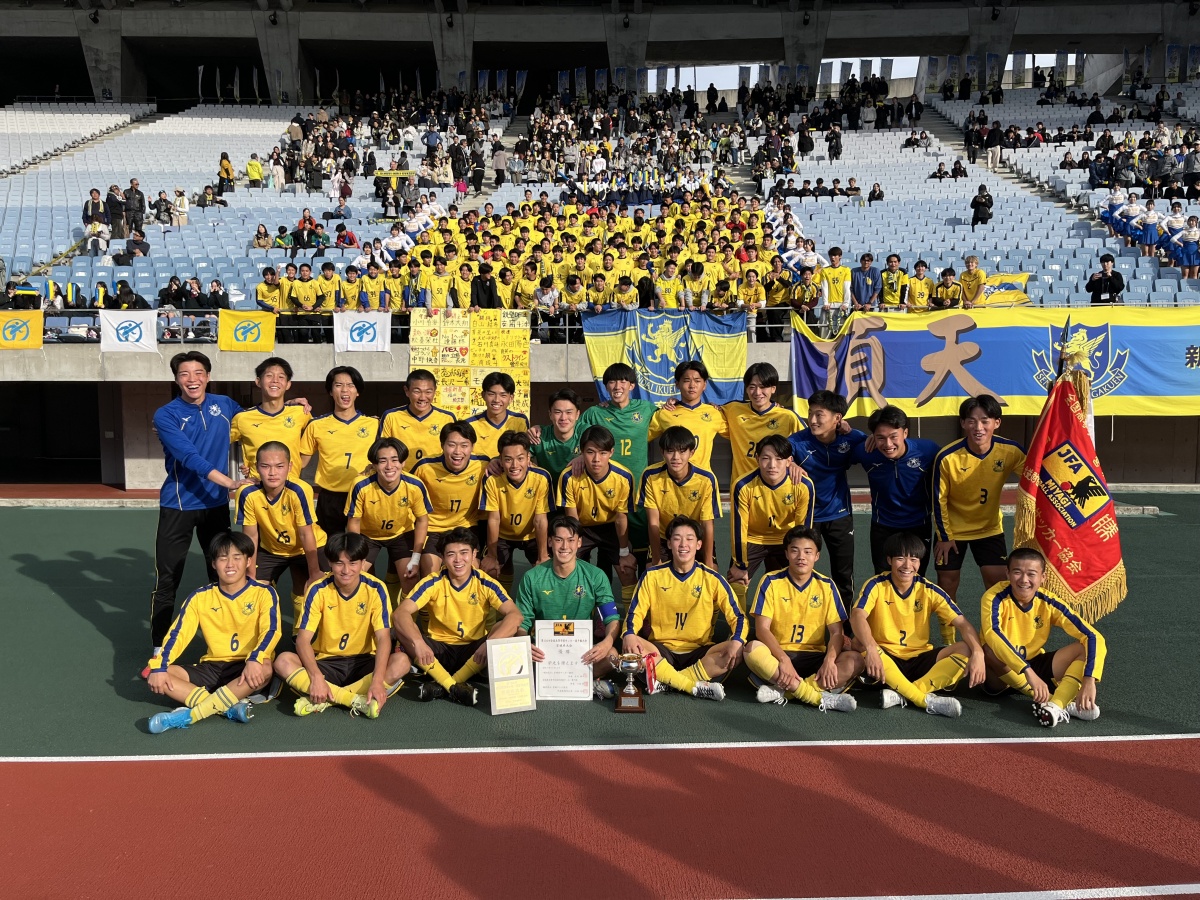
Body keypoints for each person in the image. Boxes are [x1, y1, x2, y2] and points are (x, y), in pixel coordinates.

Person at [146, 352, 250, 674]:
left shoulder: (225, 405)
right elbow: (192, 459)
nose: (193, 379)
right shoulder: (166, 415)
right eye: (185, 374)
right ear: (176, 379)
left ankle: (221, 645)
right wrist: (231, 481)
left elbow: (257, 422)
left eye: (199, 372)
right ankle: (159, 648)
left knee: (222, 574)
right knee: (168, 579)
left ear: (208, 376)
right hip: (178, 505)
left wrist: (292, 404)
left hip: (215, 507)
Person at [145, 532, 279, 734]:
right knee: (162, 674)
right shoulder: (200, 597)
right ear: (214, 564)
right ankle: (228, 709)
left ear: (248, 560)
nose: (230, 564)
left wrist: (256, 658)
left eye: (237, 557)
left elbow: (271, 630)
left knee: (266, 666)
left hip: (248, 665)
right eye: (223, 558)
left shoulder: (264, 593)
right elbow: (177, 635)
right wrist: (159, 666)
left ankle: (191, 716)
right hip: (213, 667)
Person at [851, 532, 986, 717]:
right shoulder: (876, 584)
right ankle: (923, 699)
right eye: (900, 558)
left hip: (919, 659)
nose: (908, 565)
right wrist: (871, 649)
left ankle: (904, 694)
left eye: (914, 559)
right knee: (858, 643)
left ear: (920, 562)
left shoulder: (928, 589)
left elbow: (963, 623)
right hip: (885, 658)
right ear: (889, 560)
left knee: (967, 648)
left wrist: (978, 652)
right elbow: (857, 615)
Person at [274, 532, 405, 719]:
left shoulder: (376, 588)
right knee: (283, 661)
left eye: (352, 563)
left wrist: (377, 679)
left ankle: (325, 699)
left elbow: (383, 638)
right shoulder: (317, 589)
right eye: (339, 563)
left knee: (402, 662)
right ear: (329, 563)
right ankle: (356, 701)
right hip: (327, 663)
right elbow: (303, 640)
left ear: (362, 563)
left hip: (364, 661)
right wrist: (316, 676)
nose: (346, 570)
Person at [393, 526, 524, 706]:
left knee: (508, 629)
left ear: (474, 554)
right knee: (403, 628)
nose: (458, 560)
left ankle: (441, 684)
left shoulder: (485, 582)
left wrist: (490, 643)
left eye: (464, 553)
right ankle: (455, 686)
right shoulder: (433, 582)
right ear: (443, 558)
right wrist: (419, 642)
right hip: (438, 651)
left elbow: (515, 615)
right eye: (451, 554)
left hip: (475, 653)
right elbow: (401, 613)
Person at [933, 394, 1026, 645]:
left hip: (989, 529)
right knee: (947, 585)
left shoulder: (1010, 450)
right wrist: (944, 536)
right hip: (952, 532)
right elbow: (938, 500)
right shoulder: (948, 457)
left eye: (985, 421)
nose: (978, 427)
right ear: (963, 423)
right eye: (972, 421)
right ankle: (949, 642)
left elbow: (1036, 471)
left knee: (997, 584)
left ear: (997, 422)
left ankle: (995, 638)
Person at [622, 516, 747, 701]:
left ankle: (667, 681)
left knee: (737, 650)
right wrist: (629, 634)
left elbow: (738, 617)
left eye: (689, 539)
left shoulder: (712, 578)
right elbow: (634, 613)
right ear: (670, 544)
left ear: (699, 545)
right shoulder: (652, 576)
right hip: (662, 649)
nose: (683, 544)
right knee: (633, 648)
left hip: (700, 651)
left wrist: (737, 640)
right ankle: (692, 686)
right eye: (677, 538)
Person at [980, 548, 1106, 727]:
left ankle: (1055, 706)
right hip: (1000, 674)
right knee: (989, 649)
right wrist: (1029, 673)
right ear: (1007, 573)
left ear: (1043, 577)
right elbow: (992, 635)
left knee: (1083, 648)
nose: (1024, 580)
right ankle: (1057, 699)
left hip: (1035, 663)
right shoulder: (994, 597)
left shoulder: (1049, 601)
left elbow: (1093, 635)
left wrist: (1089, 679)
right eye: (1017, 572)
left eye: (1031, 574)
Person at [742, 527, 860, 712]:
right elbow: (762, 629)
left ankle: (784, 692)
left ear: (817, 556)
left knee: (856, 660)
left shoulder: (827, 585)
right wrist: (783, 659)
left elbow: (837, 632)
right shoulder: (770, 581)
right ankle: (816, 697)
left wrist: (829, 661)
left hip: (815, 658)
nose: (801, 557)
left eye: (808, 551)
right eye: (795, 550)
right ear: (787, 554)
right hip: (778, 655)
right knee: (751, 650)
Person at [516, 515, 622, 696]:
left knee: (612, 655)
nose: (565, 547)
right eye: (559, 540)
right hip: (543, 653)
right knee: (513, 653)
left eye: (571, 540)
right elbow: (522, 622)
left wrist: (607, 641)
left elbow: (611, 618)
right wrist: (525, 643)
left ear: (579, 542)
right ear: (550, 542)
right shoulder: (532, 577)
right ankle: (580, 683)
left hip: (581, 652)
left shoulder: (595, 575)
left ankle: (561, 682)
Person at [786, 390, 866, 611]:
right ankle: (802, 620)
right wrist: (787, 463)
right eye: (810, 413)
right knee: (801, 572)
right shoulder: (798, 441)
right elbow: (773, 454)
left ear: (837, 418)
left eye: (819, 415)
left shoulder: (852, 438)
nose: (812, 420)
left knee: (843, 574)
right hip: (808, 517)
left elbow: (872, 446)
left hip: (840, 515)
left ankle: (847, 627)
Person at [235, 441, 325, 629]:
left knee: (313, 588)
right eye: (265, 466)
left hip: (305, 548)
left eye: (279, 466)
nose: (272, 472)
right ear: (256, 468)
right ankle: (267, 637)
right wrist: (250, 573)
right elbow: (250, 536)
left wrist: (315, 571)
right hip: (271, 550)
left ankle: (300, 632)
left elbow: (305, 533)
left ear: (290, 467)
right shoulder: (247, 493)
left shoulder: (299, 490)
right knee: (254, 589)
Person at [850, 406, 939, 576]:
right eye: (880, 438)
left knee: (915, 576)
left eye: (893, 437)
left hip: (919, 525)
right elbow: (838, 454)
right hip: (883, 525)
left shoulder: (927, 450)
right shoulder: (866, 451)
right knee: (883, 578)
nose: (888, 444)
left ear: (905, 433)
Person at [729, 434, 815, 609]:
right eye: (766, 458)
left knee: (793, 583)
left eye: (779, 459)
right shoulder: (743, 485)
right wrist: (740, 565)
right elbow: (739, 528)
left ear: (789, 461)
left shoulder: (804, 486)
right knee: (736, 581)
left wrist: (801, 559)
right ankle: (739, 629)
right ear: (757, 459)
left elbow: (803, 531)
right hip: (753, 538)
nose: (772, 465)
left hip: (785, 539)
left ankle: (781, 625)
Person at [298, 366, 379, 536]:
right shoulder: (316, 425)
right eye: (338, 385)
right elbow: (299, 464)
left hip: (363, 493)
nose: (345, 390)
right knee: (329, 552)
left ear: (358, 391)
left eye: (350, 385)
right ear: (330, 391)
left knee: (361, 551)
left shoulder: (374, 425)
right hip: (329, 499)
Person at [346, 437, 432, 595]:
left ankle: (402, 617)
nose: (390, 466)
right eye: (383, 461)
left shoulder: (415, 485)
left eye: (395, 460)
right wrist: (355, 556)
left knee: (410, 577)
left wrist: (416, 558)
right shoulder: (361, 484)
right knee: (359, 578)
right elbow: (354, 521)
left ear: (403, 462)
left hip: (401, 534)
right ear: (374, 465)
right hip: (368, 536)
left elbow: (422, 520)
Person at [558, 424, 638, 589]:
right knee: (567, 569)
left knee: (627, 570)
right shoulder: (569, 476)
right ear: (581, 452)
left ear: (611, 453)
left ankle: (633, 615)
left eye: (602, 453)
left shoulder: (624, 477)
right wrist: (572, 551)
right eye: (590, 452)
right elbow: (572, 519)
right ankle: (582, 612)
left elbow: (621, 518)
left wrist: (624, 552)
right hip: (582, 528)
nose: (596, 459)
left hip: (611, 528)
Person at [411, 421, 489, 576]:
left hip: (466, 527)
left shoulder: (483, 465)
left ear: (472, 447)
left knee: (471, 571)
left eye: (464, 445)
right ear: (442, 445)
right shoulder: (424, 467)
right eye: (452, 445)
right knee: (430, 571)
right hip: (433, 529)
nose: (457, 451)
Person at [638, 426, 720, 567]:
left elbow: (707, 524)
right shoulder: (650, 476)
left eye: (682, 452)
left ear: (691, 453)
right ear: (662, 452)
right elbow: (653, 523)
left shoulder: (706, 479)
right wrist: (656, 559)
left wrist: (708, 563)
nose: (676, 457)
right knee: (652, 572)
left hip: (694, 538)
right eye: (670, 451)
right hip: (664, 538)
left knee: (711, 572)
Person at [480, 431, 553, 589]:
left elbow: (540, 520)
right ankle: (499, 610)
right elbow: (494, 519)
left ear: (528, 459)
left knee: (546, 571)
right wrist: (492, 556)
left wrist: (543, 556)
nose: (514, 466)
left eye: (520, 459)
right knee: (490, 569)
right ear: (500, 460)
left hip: (531, 534)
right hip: (503, 535)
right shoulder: (492, 479)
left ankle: (538, 611)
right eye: (508, 459)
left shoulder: (541, 478)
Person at [721, 362, 801, 489]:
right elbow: (704, 412)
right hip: (743, 489)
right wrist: (678, 402)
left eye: (763, 387)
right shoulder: (733, 410)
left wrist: (794, 463)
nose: (757, 392)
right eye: (752, 387)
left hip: (778, 488)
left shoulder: (787, 417)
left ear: (773, 389)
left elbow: (810, 441)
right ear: (746, 389)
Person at [230, 357, 311, 481]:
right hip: (257, 486)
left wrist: (300, 463)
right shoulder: (242, 418)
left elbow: (318, 436)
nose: (275, 381)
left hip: (291, 485)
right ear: (258, 382)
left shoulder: (301, 413)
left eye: (281, 377)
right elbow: (217, 443)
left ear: (288, 384)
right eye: (269, 376)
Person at [647, 360, 727, 472]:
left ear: (704, 385)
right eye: (686, 380)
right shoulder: (665, 413)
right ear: (677, 384)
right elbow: (641, 438)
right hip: (671, 479)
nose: (692, 385)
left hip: (702, 480)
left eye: (697, 381)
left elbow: (738, 436)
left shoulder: (715, 413)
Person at [378, 369, 458, 471]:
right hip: (402, 478)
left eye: (428, 392)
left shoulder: (447, 418)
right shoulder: (391, 416)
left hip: (435, 477)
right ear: (407, 391)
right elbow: (381, 450)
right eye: (417, 391)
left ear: (434, 391)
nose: (423, 397)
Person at [464, 371, 530, 460]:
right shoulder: (470, 424)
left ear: (511, 398)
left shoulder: (520, 421)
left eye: (503, 395)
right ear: (483, 395)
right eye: (491, 394)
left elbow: (525, 453)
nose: (496, 400)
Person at [531, 388, 582, 489]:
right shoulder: (538, 435)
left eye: (569, 412)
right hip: (546, 496)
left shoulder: (587, 433)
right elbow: (516, 453)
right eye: (558, 412)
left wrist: (585, 455)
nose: (563, 418)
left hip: (578, 496)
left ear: (577, 414)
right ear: (550, 414)